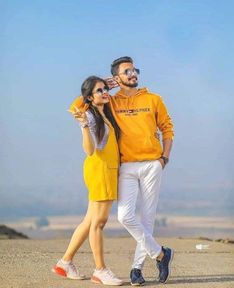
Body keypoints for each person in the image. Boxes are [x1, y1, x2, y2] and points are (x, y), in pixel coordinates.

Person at [106, 56, 174, 286]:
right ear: (117, 78)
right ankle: (161, 254)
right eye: (127, 71)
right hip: (126, 165)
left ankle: (137, 269)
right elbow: (82, 105)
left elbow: (167, 128)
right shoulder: (112, 102)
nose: (133, 74)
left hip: (152, 164)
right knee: (124, 216)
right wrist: (106, 86)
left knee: (147, 218)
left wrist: (164, 158)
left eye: (134, 70)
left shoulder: (154, 99)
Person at [52, 76, 123, 286]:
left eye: (105, 89)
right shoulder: (90, 116)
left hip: (106, 170)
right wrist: (83, 125)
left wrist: (104, 86)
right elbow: (90, 150)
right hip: (99, 170)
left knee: (89, 221)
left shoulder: (103, 113)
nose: (104, 93)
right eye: (99, 91)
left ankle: (64, 263)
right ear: (90, 97)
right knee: (99, 223)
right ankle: (100, 270)